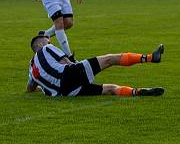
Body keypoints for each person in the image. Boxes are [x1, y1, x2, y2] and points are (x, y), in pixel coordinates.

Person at [26, 33, 165, 97]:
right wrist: (77, 65)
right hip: (69, 74)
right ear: (40, 44)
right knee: (110, 59)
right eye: (47, 41)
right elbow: (66, 63)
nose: (50, 43)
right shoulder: (46, 49)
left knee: (109, 89)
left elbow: (30, 88)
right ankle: (151, 57)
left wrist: (43, 87)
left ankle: (139, 92)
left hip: (65, 92)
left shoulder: (31, 68)